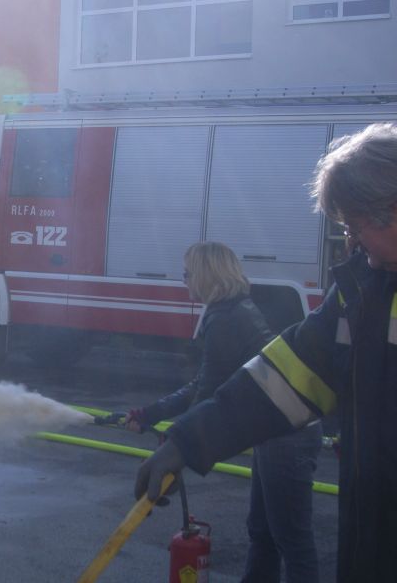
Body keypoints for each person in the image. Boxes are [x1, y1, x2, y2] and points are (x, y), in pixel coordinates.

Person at [134, 122, 397, 583]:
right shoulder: (365, 290)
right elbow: (288, 376)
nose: (353, 246)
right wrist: (189, 440)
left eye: (355, 227)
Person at [126, 241, 321, 583]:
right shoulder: (233, 310)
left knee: (291, 539)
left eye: (187, 273)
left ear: (205, 274)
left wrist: (176, 447)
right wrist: (151, 413)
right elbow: (205, 383)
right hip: (278, 427)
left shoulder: (227, 319)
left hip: (287, 433)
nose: (184, 280)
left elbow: (206, 394)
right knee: (263, 530)